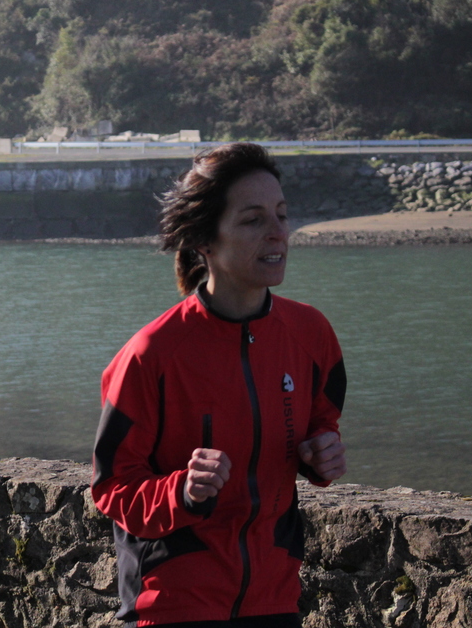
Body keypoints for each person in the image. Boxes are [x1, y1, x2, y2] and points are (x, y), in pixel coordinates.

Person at [92, 142, 347, 628]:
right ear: (204, 241)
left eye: (282, 215)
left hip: (274, 600)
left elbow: (320, 423)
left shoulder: (312, 335)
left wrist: (322, 455)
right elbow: (113, 488)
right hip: (173, 605)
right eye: (253, 220)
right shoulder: (151, 354)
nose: (278, 232)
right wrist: (182, 492)